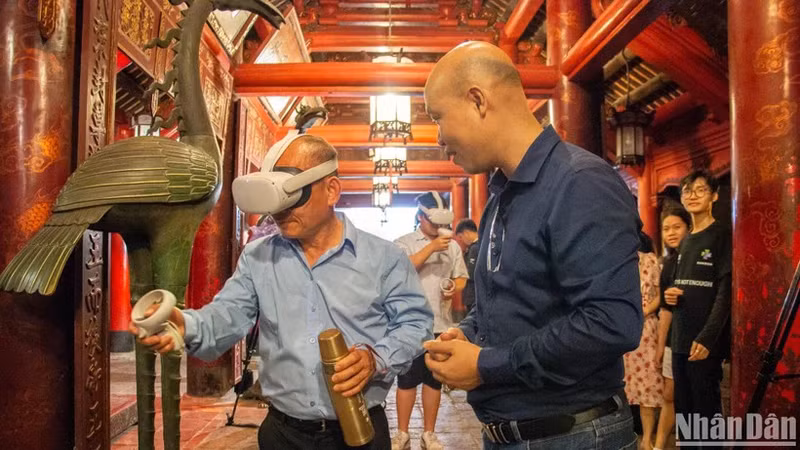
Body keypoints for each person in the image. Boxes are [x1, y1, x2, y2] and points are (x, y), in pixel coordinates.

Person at [130, 135, 434, 450]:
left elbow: (416, 324)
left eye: (293, 195)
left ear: (331, 190)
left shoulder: (384, 257)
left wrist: (375, 358)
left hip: (361, 429)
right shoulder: (258, 256)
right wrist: (186, 325)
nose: (280, 210)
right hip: (283, 434)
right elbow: (227, 315)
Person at [422, 41, 643, 449]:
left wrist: (487, 364)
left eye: (438, 117)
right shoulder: (502, 195)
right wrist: (469, 336)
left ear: (477, 100)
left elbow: (612, 322)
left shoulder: (579, 182)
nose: (438, 138)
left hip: (572, 435)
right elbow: (512, 306)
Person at [391, 191, 469, 450]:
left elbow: (461, 278)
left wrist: (454, 288)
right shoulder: (404, 242)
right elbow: (402, 270)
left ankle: (429, 433)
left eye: (442, 224)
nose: (439, 229)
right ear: (420, 217)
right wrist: (431, 248)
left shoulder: (454, 246)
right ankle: (402, 433)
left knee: (434, 380)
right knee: (406, 380)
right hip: (408, 323)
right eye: (434, 223)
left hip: (441, 322)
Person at [664, 169, 731, 444]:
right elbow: (683, 285)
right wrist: (669, 295)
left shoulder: (721, 234)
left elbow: (725, 292)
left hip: (704, 344)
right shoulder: (687, 239)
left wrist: (708, 338)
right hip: (680, 340)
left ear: (714, 195)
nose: (692, 195)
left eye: (700, 190)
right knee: (686, 418)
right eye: (687, 191)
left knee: (707, 417)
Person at [653, 205, 692, 450]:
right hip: (672, 340)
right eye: (666, 228)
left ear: (688, 228)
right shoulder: (667, 264)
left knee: (693, 396)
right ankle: (659, 446)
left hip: (696, 338)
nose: (671, 233)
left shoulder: (697, 258)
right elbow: (665, 310)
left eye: (677, 227)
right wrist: (659, 346)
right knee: (669, 393)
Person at [623, 231, 663, 450]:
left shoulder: (650, 260)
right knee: (627, 388)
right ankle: (630, 436)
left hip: (646, 329)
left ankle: (648, 438)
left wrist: (645, 310)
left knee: (647, 387)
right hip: (625, 328)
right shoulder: (617, 262)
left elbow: (660, 294)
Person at [454, 218, 479, 317]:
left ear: (467, 233)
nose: (461, 241)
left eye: (460, 237)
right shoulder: (483, 245)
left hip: (473, 295)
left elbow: (470, 273)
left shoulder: (474, 248)